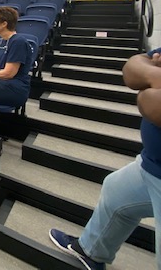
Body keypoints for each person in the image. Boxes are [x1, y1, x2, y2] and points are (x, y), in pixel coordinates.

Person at [49, 47, 161, 270]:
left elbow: (152, 104)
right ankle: (91, 252)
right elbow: (131, 70)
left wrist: (150, 80)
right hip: (151, 164)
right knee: (116, 191)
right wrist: (155, 77)